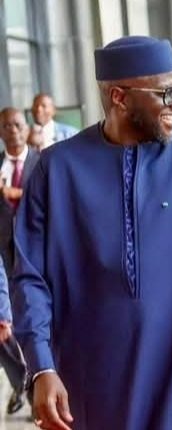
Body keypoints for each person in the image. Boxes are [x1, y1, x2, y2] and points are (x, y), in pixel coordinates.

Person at [11, 36, 172, 430]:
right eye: (165, 93)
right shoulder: (56, 170)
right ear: (119, 97)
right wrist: (41, 367)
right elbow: (30, 278)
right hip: (91, 391)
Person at [0, 107, 35, 415]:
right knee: (4, 330)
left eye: (17, 125)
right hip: (3, 260)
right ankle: (21, 382)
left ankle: (40, 383)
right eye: (7, 126)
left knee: (35, 323)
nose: (13, 130)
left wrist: (16, 193)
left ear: (27, 128)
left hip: (37, 259)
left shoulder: (44, 162)